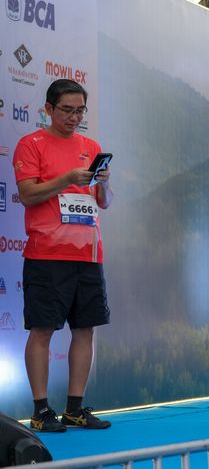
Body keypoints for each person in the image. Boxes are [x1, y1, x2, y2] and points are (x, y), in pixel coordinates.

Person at [12, 79, 113, 432]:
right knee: (42, 330)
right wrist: (68, 178)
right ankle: (41, 411)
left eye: (80, 110)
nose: (74, 117)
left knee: (85, 330)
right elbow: (27, 195)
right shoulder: (31, 144)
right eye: (67, 110)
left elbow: (104, 202)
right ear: (48, 109)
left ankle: (75, 408)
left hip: (89, 253)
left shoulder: (91, 146)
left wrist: (103, 183)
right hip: (47, 253)